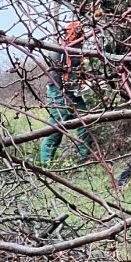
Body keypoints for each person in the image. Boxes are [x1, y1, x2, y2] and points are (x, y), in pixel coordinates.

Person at [39, 21, 92, 164]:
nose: (81, 35)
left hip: (74, 92)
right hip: (58, 92)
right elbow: (55, 75)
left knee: (85, 122)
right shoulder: (60, 51)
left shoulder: (79, 50)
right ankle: (45, 163)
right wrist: (62, 91)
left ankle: (84, 157)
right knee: (57, 128)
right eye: (78, 32)